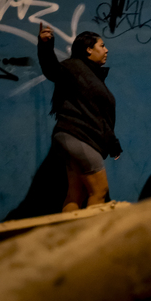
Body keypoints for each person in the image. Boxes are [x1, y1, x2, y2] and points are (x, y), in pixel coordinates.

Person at [37, 23, 122, 212]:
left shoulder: (91, 74)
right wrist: (45, 45)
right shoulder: (73, 67)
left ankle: (65, 236)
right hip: (78, 136)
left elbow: (98, 115)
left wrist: (112, 143)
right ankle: (90, 238)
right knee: (99, 190)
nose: (106, 50)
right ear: (89, 50)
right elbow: (52, 69)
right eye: (102, 45)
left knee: (76, 194)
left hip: (74, 137)